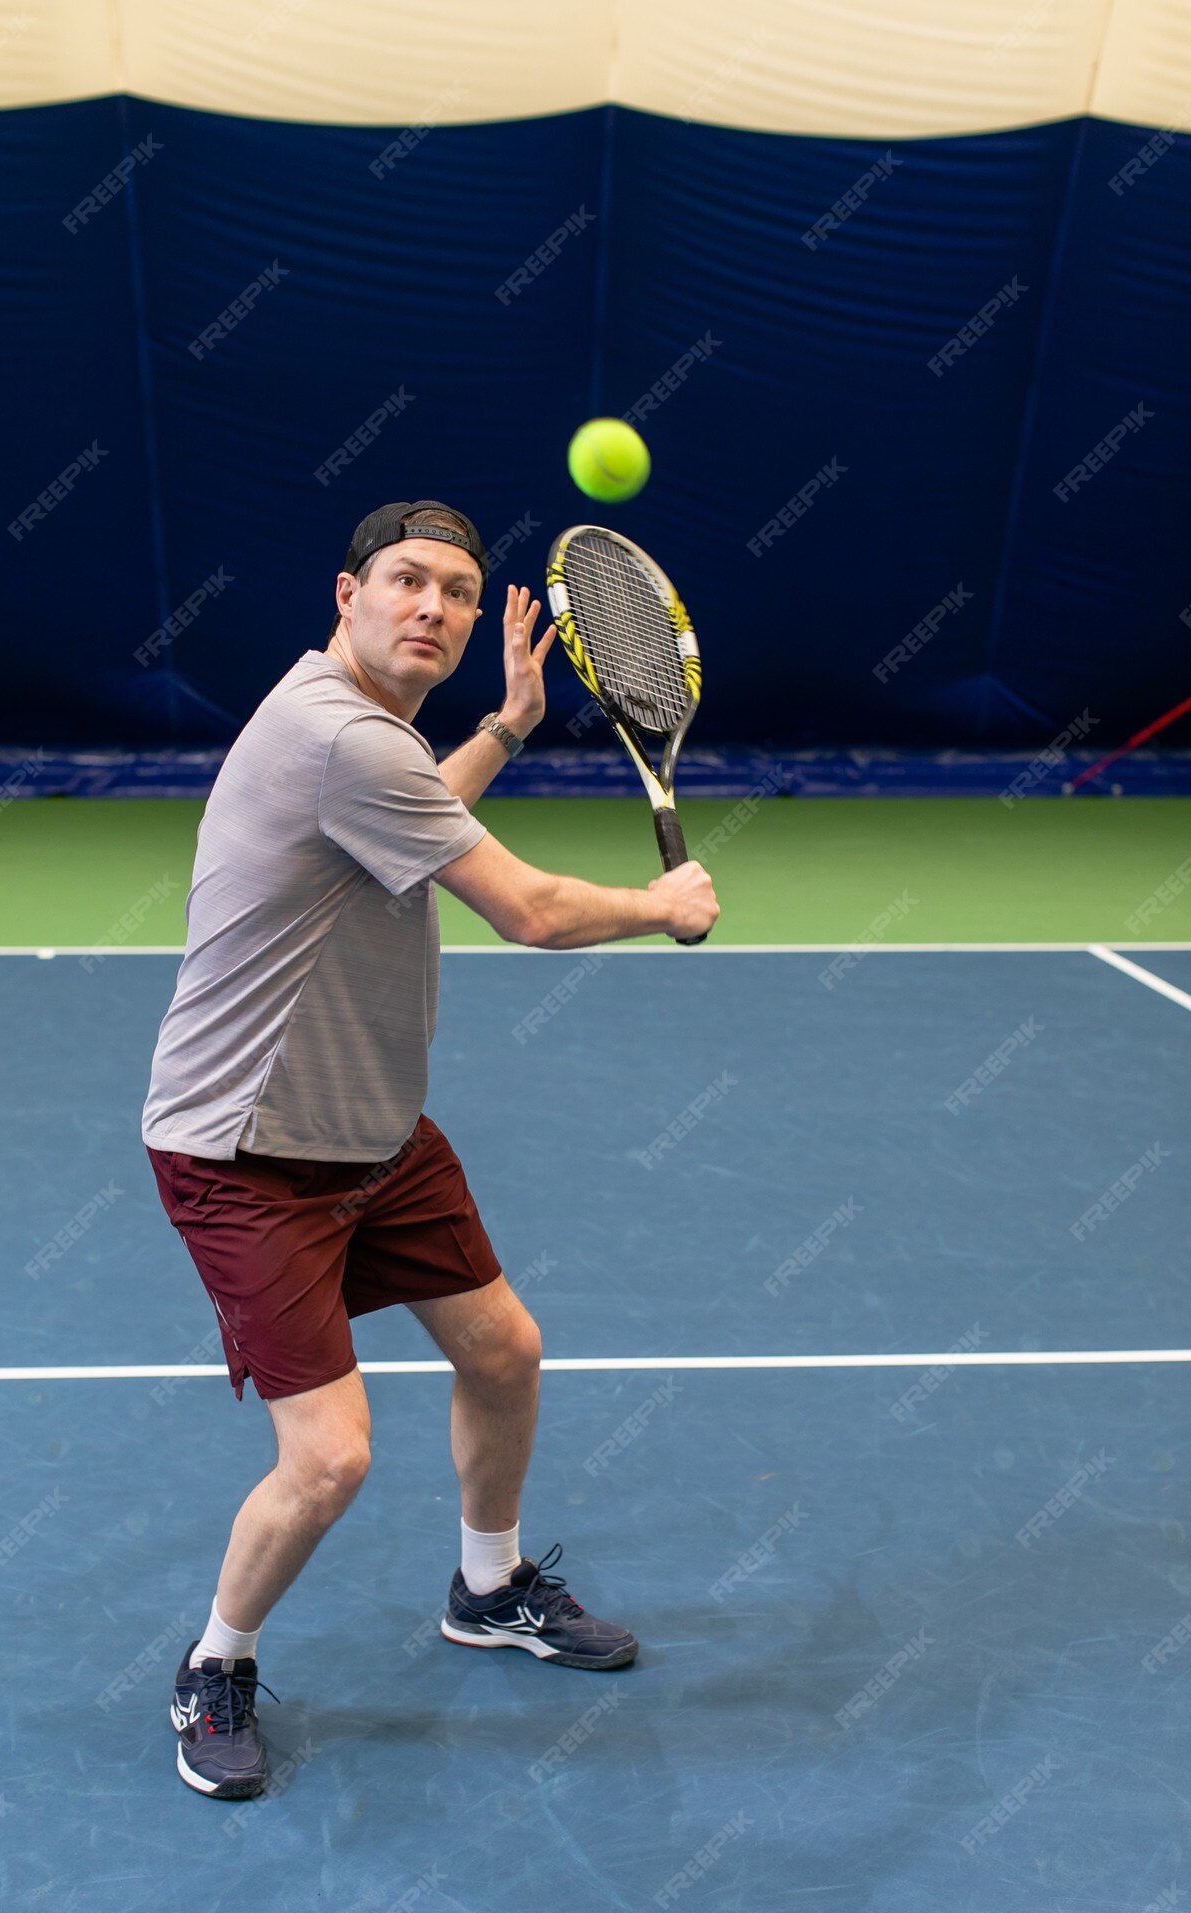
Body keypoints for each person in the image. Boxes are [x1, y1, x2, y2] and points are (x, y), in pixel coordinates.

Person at [142, 499, 719, 1798]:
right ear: (343, 594)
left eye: (458, 592)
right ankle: (214, 1666)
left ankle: (490, 1583)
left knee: (502, 1351)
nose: (437, 609)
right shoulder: (336, 734)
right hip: (248, 1150)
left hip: (372, 1130)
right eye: (408, 581)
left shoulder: (360, 740)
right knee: (331, 1455)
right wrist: (659, 903)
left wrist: (508, 726)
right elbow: (523, 910)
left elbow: (398, 828)